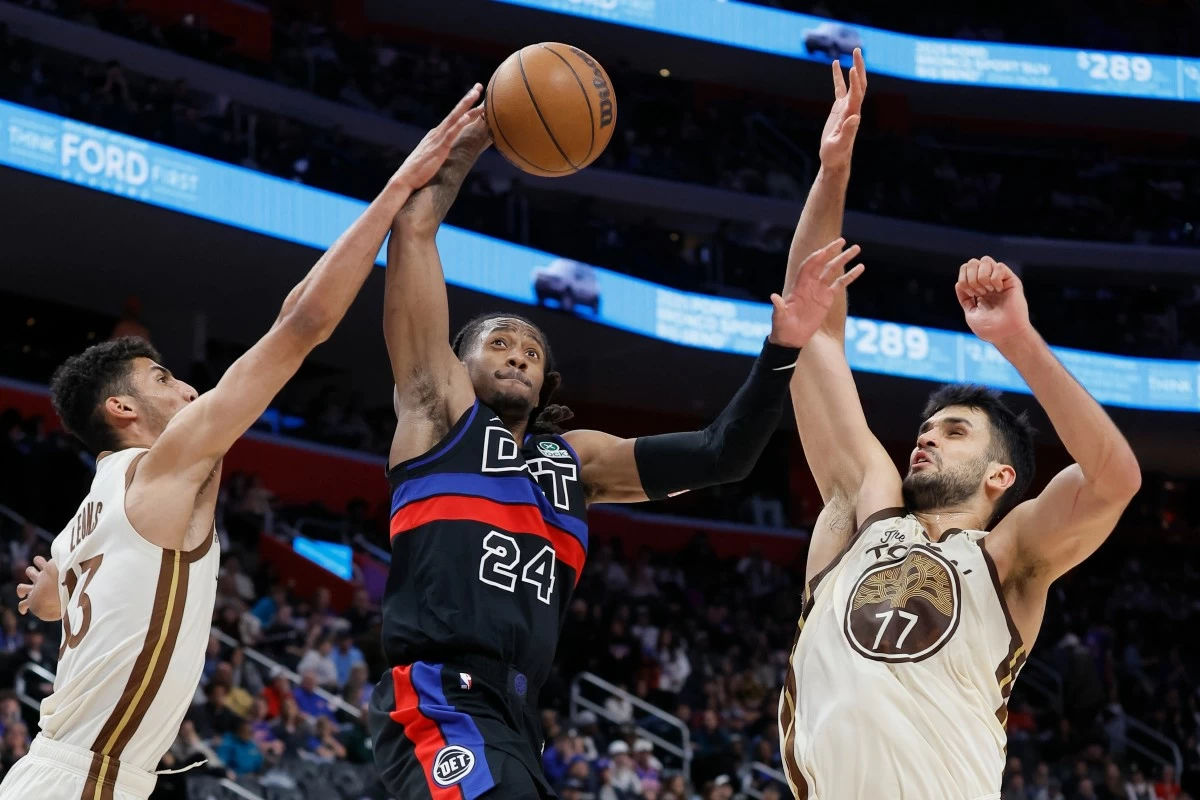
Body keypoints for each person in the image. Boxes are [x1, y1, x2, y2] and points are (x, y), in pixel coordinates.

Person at [0, 86, 485, 800]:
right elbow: (302, 324)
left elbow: (48, 603)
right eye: (164, 377)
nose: (190, 391)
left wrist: (51, 591)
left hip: (62, 772)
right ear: (123, 407)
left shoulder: (87, 517)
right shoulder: (161, 468)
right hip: (85, 784)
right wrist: (398, 186)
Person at [366, 112, 864, 800]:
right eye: (502, 343)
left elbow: (724, 455)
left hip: (516, 716)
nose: (519, 355)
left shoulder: (578, 461)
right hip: (438, 697)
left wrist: (783, 348)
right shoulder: (439, 414)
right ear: (458, 362)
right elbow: (414, 231)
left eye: (533, 353)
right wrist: (478, 141)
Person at [777, 51, 1142, 799]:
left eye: (954, 431)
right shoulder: (863, 509)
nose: (927, 436)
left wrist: (1016, 341)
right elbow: (811, 327)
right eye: (928, 426)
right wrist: (833, 172)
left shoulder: (1011, 554)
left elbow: (1115, 480)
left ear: (1000, 474)